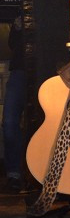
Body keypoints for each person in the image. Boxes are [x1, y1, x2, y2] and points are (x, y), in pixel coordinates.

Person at [2, 15, 27, 191]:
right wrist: (17, 28)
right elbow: (12, 45)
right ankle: (14, 174)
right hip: (20, 71)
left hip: (48, 68)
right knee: (9, 121)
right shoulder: (21, 9)